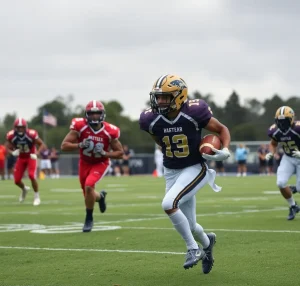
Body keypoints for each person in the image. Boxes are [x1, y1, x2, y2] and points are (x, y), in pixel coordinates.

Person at [139, 74, 231, 274]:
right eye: (158, 97)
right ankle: (207, 243)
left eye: (165, 97)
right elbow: (160, 141)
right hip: (171, 170)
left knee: (168, 204)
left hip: (195, 167)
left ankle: (193, 248)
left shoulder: (195, 112)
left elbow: (222, 129)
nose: (160, 101)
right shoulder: (151, 119)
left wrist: (225, 149)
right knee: (189, 224)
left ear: (179, 96)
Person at [61, 100, 124, 232]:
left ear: (102, 114)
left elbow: (120, 153)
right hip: (84, 163)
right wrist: (79, 144)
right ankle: (101, 197)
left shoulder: (109, 131)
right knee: (88, 194)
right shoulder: (80, 127)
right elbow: (64, 146)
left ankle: (89, 219)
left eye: (97, 113)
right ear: (86, 114)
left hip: (100, 163)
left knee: (89, 186)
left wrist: (105, 153)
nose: (94, 116)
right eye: (91, 113)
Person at [266, 106, 300, 220]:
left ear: (291, 119)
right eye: (279, 121)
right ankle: (293, 206)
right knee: (280, 182)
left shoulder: (298, 128)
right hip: (288, 157)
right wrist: (272, 152)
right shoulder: (275, 131)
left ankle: (296, 188)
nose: (281, 124)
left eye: (284, 121)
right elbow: (273, 143)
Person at [5, 118, 46, 205]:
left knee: (31, 175)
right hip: (21, 157)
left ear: (25, 127)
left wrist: (37, 153)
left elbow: (42, 144)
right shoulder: (11, 135)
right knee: (16, 181)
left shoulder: (31, 134)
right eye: (18, 127)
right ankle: (24, 189)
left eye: (22, 127)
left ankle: (36, 196)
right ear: (15, 127)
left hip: (31, 156)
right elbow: (6, 147)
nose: (20, 129)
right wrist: (12, 152)